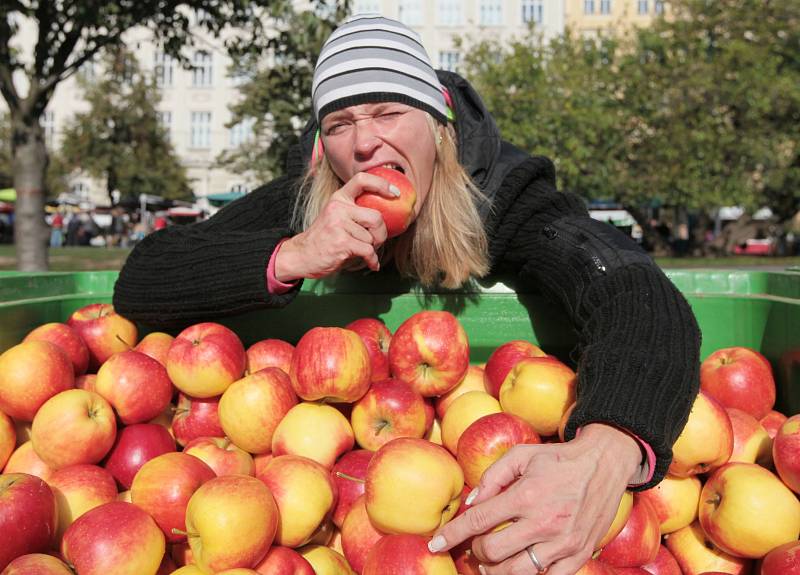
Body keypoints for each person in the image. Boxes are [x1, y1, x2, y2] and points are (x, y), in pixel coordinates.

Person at [114, 14, 700, 575]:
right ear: (324, 148)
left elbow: (631, 289)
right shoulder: (306, 197)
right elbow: (141, 278)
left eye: (388, 112)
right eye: (339, 124)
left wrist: (605, 450)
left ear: (437, 123)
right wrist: (292, 254)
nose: (364, 142)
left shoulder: (504, 195)